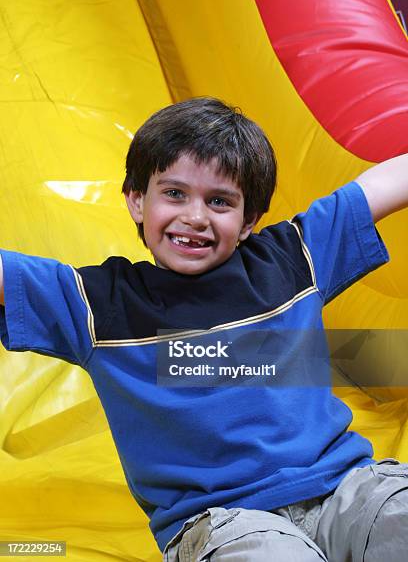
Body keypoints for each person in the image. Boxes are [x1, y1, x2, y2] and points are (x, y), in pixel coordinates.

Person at [0, 97, 407, 561]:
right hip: (225, 521)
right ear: (136, 200)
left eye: (219, 201)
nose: (195, 216)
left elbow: (381, 185)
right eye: (174, 193)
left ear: (249, 220)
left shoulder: (293, 258)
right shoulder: (99, 304)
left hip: (345, 489)